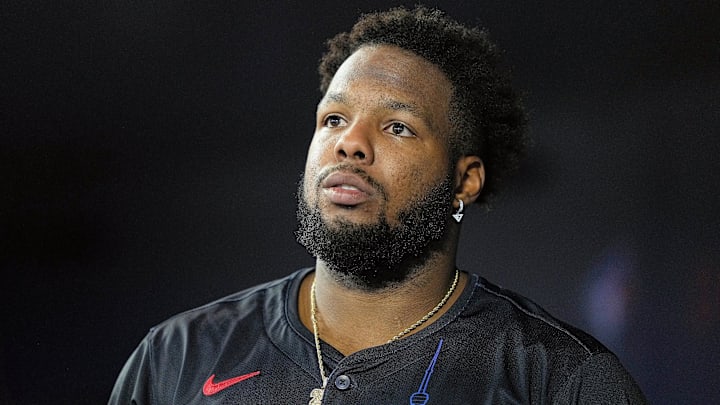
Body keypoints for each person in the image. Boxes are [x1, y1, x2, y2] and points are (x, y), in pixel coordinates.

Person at [109, 6, 647, 404]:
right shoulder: (176, 356)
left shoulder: (561, 379)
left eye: (397, 127)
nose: (350, 143)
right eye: (334, 119)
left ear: (465, 181)